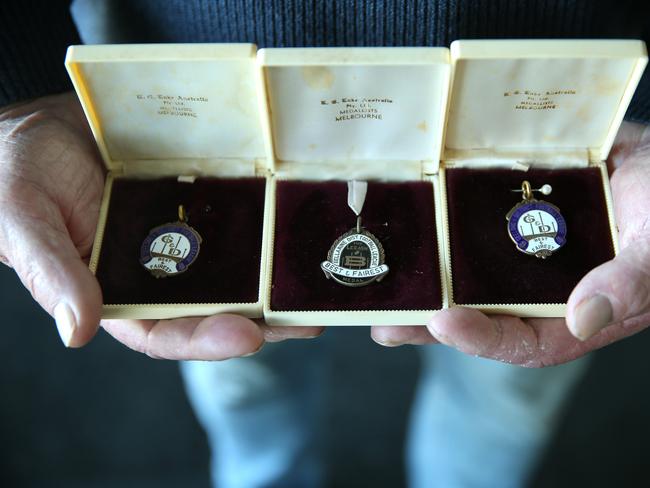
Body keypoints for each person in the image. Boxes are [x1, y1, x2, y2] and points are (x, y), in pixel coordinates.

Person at [1, 1, 649, 487]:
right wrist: (17, 97)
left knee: (505, 394)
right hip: (181, 100)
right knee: (240, 378)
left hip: (563, 95)